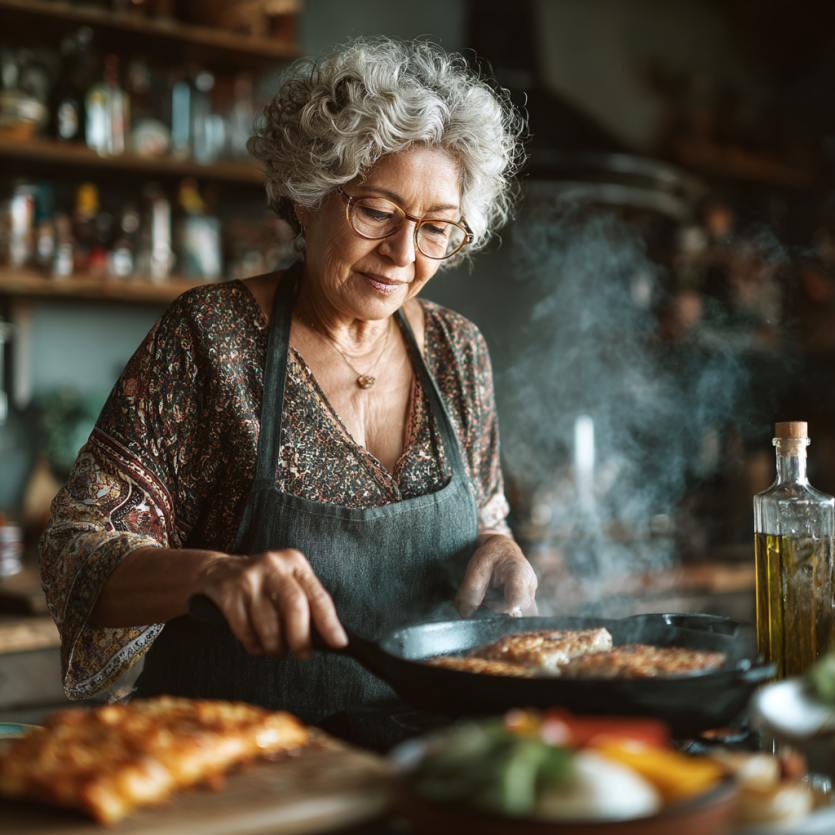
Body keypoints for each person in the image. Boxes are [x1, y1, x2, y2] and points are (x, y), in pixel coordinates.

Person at [39, 37, 536, 747]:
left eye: (435, 228)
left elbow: (487, 519)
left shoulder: (459, 351)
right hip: (233, 760)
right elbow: (74, 555)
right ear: (307, 197)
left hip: (427, 758)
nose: (403, 255)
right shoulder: (212, 337)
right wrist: (212, 575)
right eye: (377, 212)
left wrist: (501, 548)